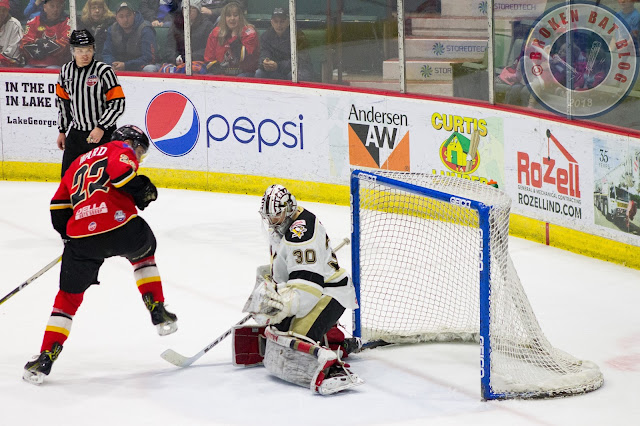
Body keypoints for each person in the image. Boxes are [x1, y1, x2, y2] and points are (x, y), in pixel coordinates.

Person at [23, 125, 178, 386]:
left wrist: (69, 238)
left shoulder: (76, 164)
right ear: (128, 141)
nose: (138, 156)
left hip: (82, 238)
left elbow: (58, 205)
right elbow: (120, 175)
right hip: (122, 227)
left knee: (67, 300)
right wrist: (142, 188)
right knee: (144, 253)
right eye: (139, 150)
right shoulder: (120, 148)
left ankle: (46, 357)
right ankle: (156, 307)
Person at [243, 184, 363, 394]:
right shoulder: (281, 226)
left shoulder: (302, 232)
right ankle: (335, 340)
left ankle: (336, 360)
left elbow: (309, 289)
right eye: (268, 217)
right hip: (307, 291)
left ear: (289, 209)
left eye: (276, 215)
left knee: (295, 340)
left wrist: (283, 306)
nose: (272, 221)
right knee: (280, 331)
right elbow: (285, 270)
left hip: (329, 292)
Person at [56, 29, 126, 177]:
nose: (85, 54)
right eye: (80, 50)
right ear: (72, 51)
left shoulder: (104, 71)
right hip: (76, 135)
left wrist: (101, 127)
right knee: (68, 179)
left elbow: (118, 103)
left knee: (103, 180)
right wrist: (62, 131)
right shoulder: (65, 71)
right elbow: (63, 103)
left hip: (104, 135)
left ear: (94, 49)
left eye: (88, 49)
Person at [255, 8, 315, 82]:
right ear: (271, 22)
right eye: (276, 21)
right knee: (259, 73)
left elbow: (300, 61)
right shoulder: (266, 36)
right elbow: (264, 53)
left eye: (282, 21)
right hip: (276, 71)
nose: (279, 25)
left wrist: (278, 65)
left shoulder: (298, 36)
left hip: (298, 70)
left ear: (288, 22)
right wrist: (265, 62)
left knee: (294, 75)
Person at [203, 0, 258, 77]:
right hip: (222, 73)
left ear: (240, 17)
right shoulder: (215, 33)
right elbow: (209, 59)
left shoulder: (249, 33)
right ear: (224, 18)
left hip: (243, 72)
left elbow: (244, 58)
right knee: (209, 77)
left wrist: (234, 36)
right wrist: (220, 72)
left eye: (235, 15)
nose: (232, 18)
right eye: (228, 16)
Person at [159, 0, 214, 73]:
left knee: (193, 70)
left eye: (192, 8)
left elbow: (207, 50)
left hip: (197, 61)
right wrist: (175, 58)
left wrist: (188, 58)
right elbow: (169, 47)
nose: (188, 11)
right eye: (185, 8)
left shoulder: (207, 25)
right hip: (176, 62)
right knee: (155, 69)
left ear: (198, 10)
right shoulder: (175, 25)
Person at [102, 2, 159, 72]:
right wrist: (112, 64)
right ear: (116, 18)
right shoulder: (112, 29)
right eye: (121, 16)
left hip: (140, 66)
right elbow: (107, 53)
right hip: (118, 66)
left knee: (150, 68)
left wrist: (126, 65)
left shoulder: (145, 29)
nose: (125, 19)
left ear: (134, 15)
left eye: (128, 15)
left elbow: (149, 58)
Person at [20, 0, 70, 68]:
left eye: (58, 6)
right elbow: (24, 43)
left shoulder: (67, 23)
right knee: (26, 69)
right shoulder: (34, 21)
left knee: (51, 69)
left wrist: (39, 42)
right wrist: (49, 46)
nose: (55, 9)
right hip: (33, 63)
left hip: (56, 65)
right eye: (52, 6)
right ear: (45, 7)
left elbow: (66, 44)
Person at [0, 0, 24, 67]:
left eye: (4, 10)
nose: (1, 13)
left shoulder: (15, 25)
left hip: (9, 66)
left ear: (8, 10)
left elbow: (14, 54)